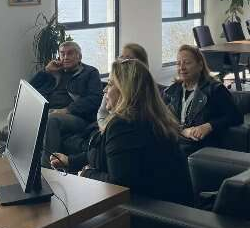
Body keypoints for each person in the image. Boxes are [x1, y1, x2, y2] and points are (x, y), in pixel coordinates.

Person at [50, 59, 194, 206]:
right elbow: (105, 154)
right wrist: (71, 161)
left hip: (155, 213)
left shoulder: (125, 124)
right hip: (174, 205)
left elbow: (119, 185)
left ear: (125, 91)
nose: (105, 90)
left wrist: (87, 174)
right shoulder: (149, 116)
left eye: (110, 84)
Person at [62, 43, 152, 156]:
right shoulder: (112, 88)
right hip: (103, 125)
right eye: (121, 57)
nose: (122, 61)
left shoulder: (139, 99)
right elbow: (102, 111)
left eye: (127, 58)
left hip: (107, 128)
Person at [29, 41, 101, 167]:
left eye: (70, 53)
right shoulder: (55, 71)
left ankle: (47, 169)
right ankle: (23, 161)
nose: (65, 57)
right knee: (15, 114)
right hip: (50, 110)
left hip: (76, 116)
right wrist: (46, 71)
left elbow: (95, 99)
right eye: (62, 54)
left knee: (51, 120)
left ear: (79, 56)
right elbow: (30, 88)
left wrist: (67, 110)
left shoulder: (90, 72)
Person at [163, 45, 243, 156]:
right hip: (175, 142)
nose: (181, 67)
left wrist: (209, 126)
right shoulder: (171, 91)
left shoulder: (215, 90)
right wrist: (183, 131)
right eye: (178, 63)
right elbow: (161, 120)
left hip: (199, 147)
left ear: (200, 65)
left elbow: (236, 116)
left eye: (187, 63)